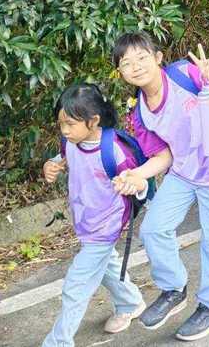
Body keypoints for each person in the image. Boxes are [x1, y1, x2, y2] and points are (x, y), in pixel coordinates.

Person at [111, 33, 209, 341]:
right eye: (126, 62)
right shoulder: (140, 112)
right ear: (120, 72)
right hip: (184, 170)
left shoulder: (185, 73)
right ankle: (174, 289)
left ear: (158, 58)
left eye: (142, 57)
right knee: (154, 228)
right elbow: (163, 155)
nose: (136, 66)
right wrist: (137, 174)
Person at [41, 83, 153, 347]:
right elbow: (65, 156)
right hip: (85, 221)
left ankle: (58, 342)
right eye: (61, 124)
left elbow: (142, 183)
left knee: (75, 286)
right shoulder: (71, 142)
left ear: (93, 121)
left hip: (106, 226)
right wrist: (51, 164)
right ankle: (131, 302)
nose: (65, 130)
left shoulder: (113, 150)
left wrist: (134, 184)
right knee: (107, 266)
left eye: (70, 124)